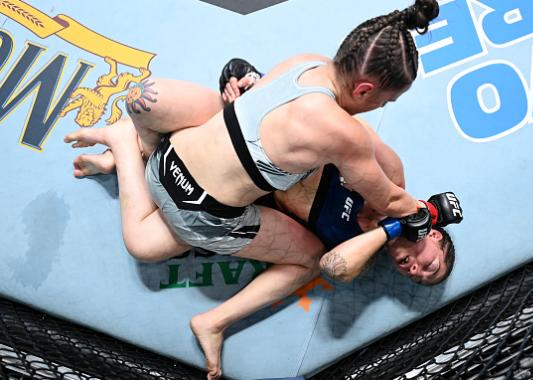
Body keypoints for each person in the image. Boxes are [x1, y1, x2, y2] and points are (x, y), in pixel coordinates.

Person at [64, 1, 441, 378]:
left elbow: (376, 160)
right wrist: (425, 214)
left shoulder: (306, 62)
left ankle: (134, 147)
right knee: (307, 259)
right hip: (198, 211)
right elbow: (391, 200)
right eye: (385, 100)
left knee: (222, 122)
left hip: (170, 154)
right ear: (364, 89)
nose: (381, 106)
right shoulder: (344, 136)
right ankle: (212, 321)